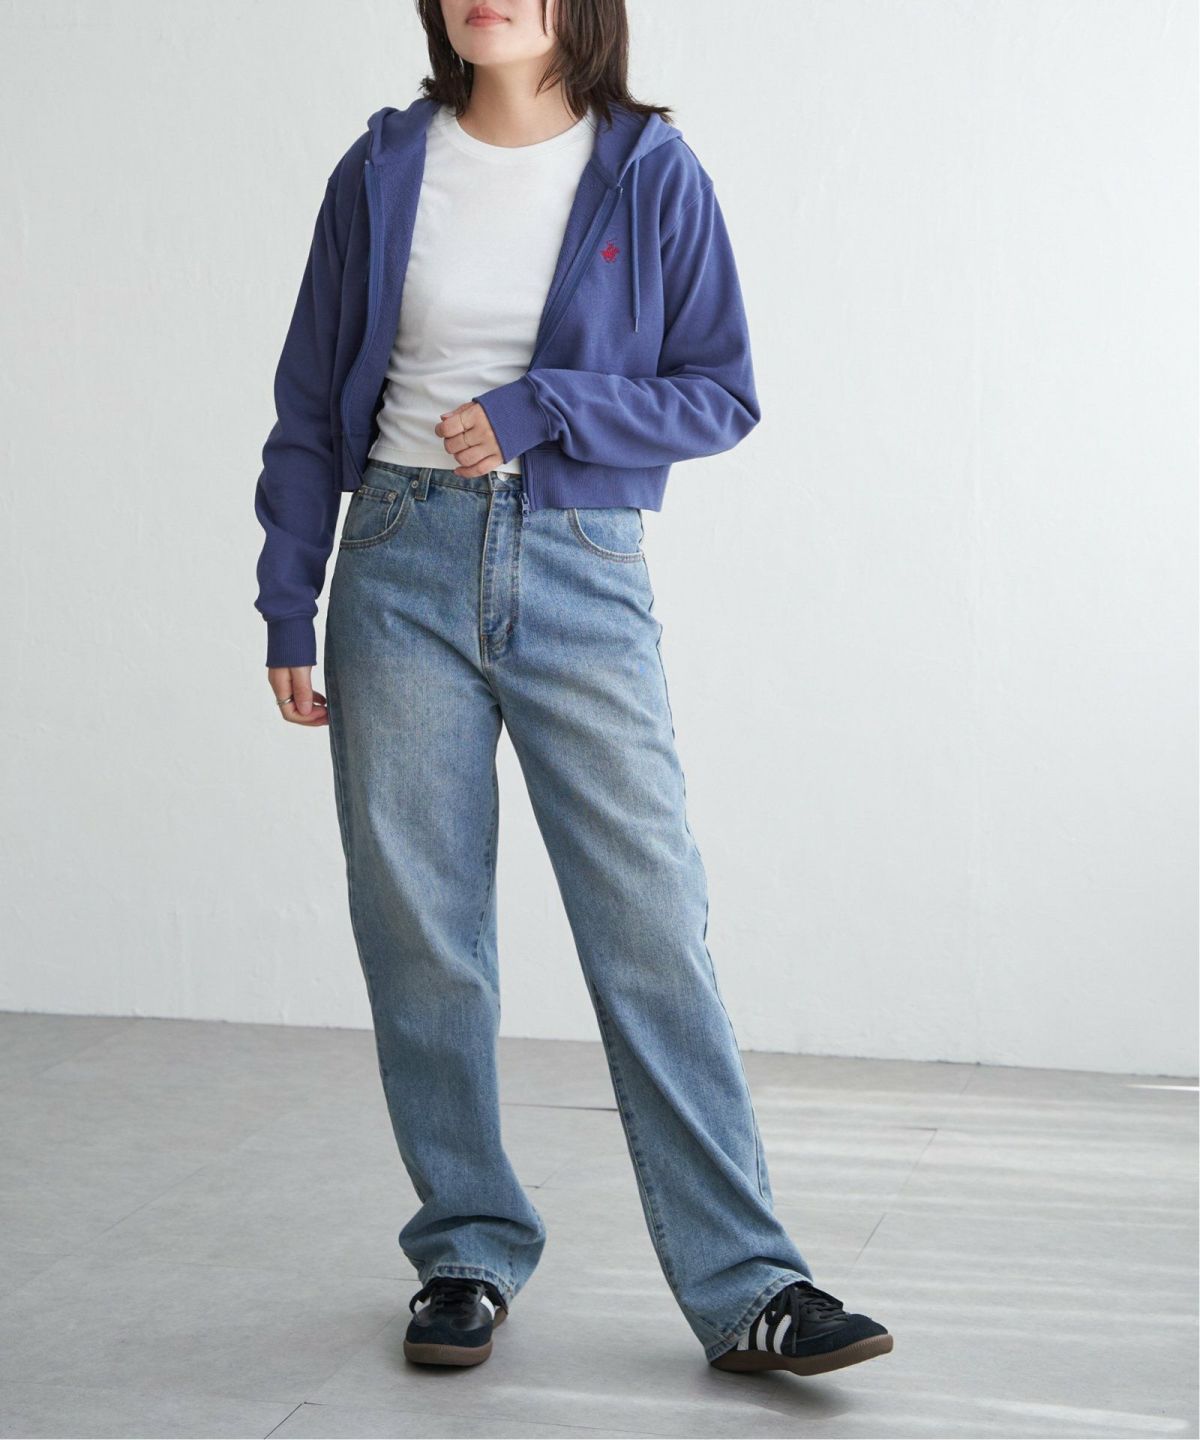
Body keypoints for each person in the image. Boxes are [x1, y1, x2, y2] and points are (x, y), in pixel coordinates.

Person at [252, 0, 893, 1378]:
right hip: (397, 564)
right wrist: (286, 597)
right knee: (423, 934)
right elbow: (308, 404)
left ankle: (751, 1285)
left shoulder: (649, 168)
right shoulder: (382, 167)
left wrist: (548, 405)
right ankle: (465, 1250)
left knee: (650, 924)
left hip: (582, 564)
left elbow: (720, 392)